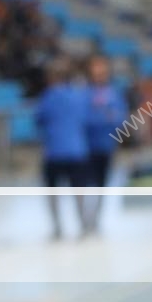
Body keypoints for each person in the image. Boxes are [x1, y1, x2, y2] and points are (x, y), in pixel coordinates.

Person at [34, 57, 90, 240]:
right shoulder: (78, 96)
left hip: (54, 152)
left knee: (53, 191)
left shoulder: (47, 97)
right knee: (78, 190)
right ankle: (83, 224)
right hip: (76, 150)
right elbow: (85, 119)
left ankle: (57, 227)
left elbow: (39, 119)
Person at [81, 54, 128, 234]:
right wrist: (104, 116)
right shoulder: (84, 94)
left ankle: (96, 220)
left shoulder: (114, 94)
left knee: (101, 184)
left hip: (106, 146)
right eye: (96, 70)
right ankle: (84, 219)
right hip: (85, 147)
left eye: (102, 70)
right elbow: (84, 118)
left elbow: (119, 119)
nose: (99, 74)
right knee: (84, 185)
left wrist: (105, 117)